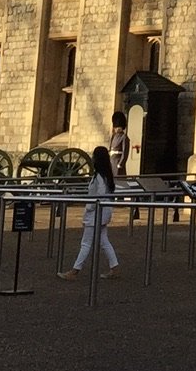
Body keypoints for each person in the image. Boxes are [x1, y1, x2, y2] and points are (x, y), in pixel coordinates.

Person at [57, 145, 121, 281]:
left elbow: (99, 195)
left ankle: (75, 271)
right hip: (102, 213)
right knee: (104, 241)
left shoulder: (99, 177)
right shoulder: (105, 176)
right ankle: (114, 267)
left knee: (86, 243)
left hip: (96, 213)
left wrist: (89, 208)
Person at [108, 111, 134, 219]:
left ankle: (120, 199)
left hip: (118, 162)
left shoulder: (124, 137)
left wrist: (121, 163)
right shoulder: (114, 136)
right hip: (112, 161)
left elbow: (125, 152)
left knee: (120, 182)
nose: (116, 128)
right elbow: (110, 148)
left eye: (118, 126)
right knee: (113, 181)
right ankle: (113, 198)